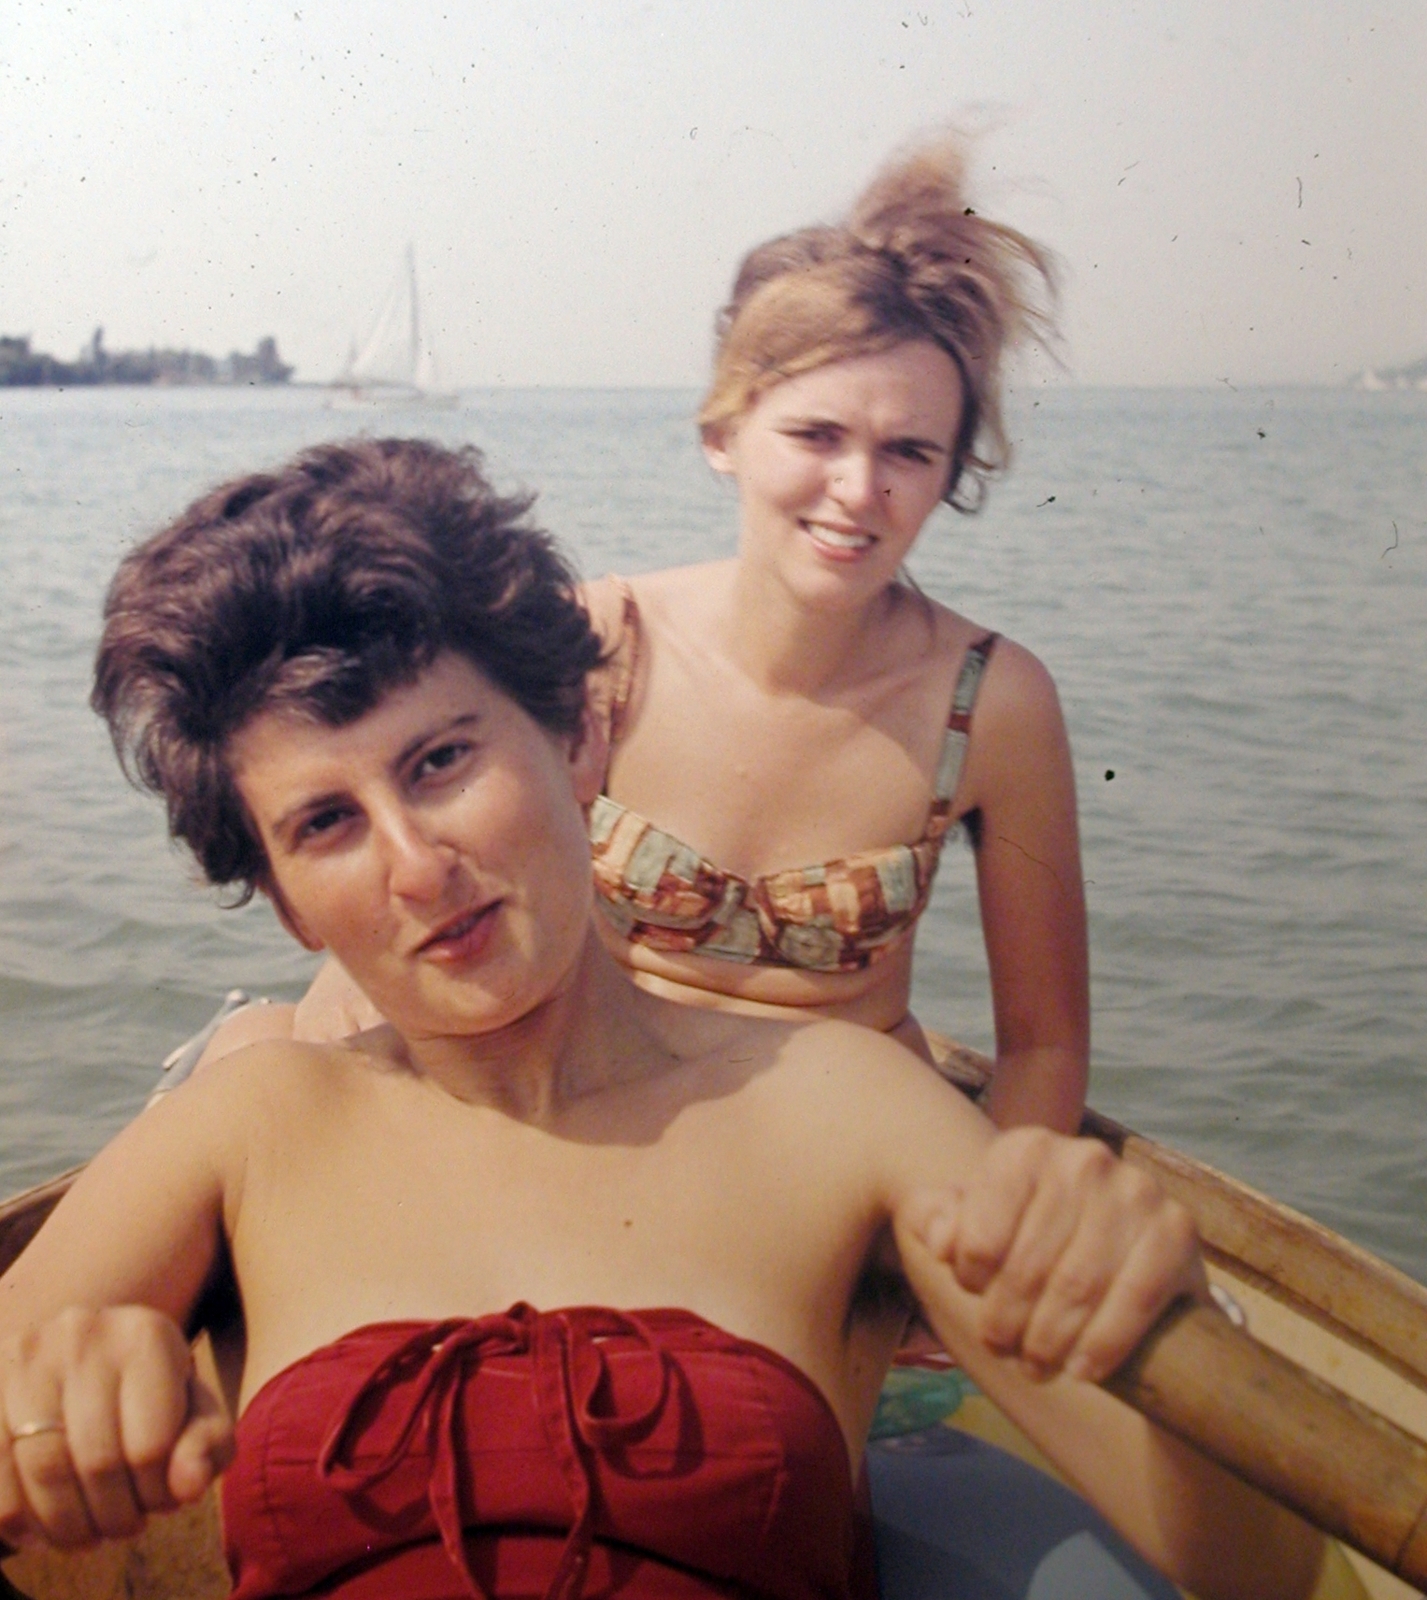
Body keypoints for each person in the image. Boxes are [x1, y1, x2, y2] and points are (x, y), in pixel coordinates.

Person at [0, 441, 1320, 1600]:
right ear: (290, 908)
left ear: (576, 741)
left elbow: (1250, 1570)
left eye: (442, 761)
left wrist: (1155, 1300)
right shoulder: (255, 1126)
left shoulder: (841, 1107)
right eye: (325, 825)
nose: (415, 868)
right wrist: (54, 1413)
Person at [247, 135, 1086, 1133]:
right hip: (589, 1122)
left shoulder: (991, 702)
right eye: (815, 436)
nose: (858, 491)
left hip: (840, 1150)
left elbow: (1043, 1045)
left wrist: (1015, 1208)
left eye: (908, 450)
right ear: (723, 433)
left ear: (948, 473)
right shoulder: (600, 643)